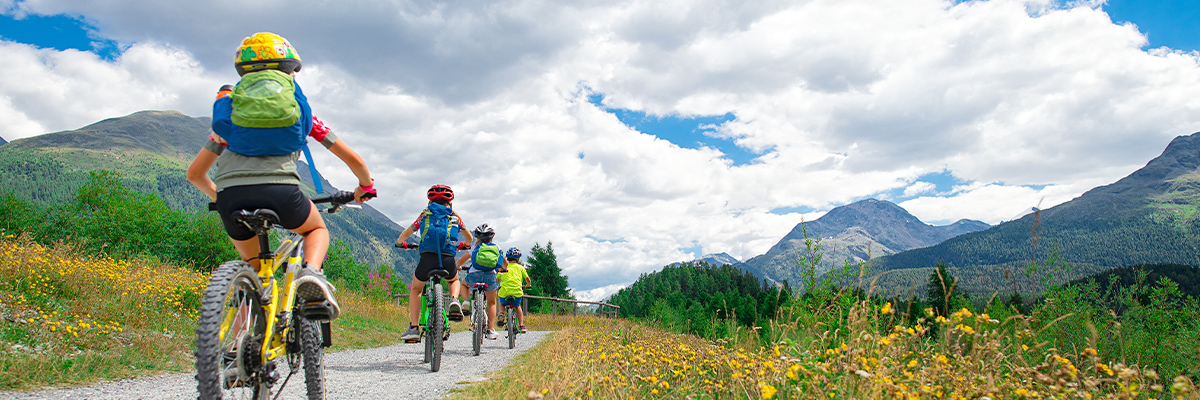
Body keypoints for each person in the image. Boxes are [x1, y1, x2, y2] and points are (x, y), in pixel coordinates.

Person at [187, 32, 374, 321]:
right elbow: (356, 160)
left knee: (254, 270)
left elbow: (195, 175)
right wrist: (365, 187)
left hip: (231, 198)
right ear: (290, 74)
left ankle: (235, 347)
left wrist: (219, 196)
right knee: (316, 230)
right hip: (282, 193)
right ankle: (310, 274)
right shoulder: (299, 112)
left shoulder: (232, 115)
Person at [395, 185, 472, 341]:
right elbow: (469, 238)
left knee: (416, 289)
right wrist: (464, 245)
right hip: (448, 259)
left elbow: (408, 232)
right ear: (450, 202)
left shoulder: (425, 214)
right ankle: (454, 300)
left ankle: (414, 327)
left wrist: (400, 242)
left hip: (427, 259)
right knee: (454, 279)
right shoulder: (455, 216)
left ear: (430, 200)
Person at [456, 224, 506, 340]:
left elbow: (460, 261)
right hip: (490, 277)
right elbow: (505, 264)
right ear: (492, 238)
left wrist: (458, 266)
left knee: (464, 284)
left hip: (474, 276)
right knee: (492, 303)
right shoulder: (497, 248)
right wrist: (502, 268)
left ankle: (467, 301)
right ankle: (490, 329)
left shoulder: (474, 247)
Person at [497, 247, 532, 333]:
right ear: (518, 258)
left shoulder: (504, 268)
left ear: (507, 258)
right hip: (517, 292)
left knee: (502, 304)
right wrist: (528, 285)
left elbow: (498, 279)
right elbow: (527, 278)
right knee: (517, 307)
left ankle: (501, 314)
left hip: (504, 292)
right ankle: (521, 325)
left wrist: (497, 286)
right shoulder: (520, 268)